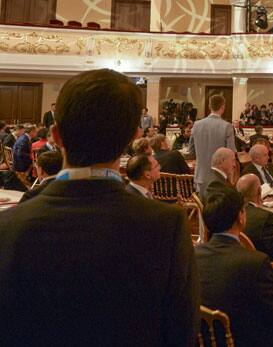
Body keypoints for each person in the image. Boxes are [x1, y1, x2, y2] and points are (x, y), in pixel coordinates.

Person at [0, 69, 199, 345]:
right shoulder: (168, 226)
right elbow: (181, 335)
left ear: (56, 136)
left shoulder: (8, 227)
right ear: (133, 136)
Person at [195, 185, 273, 347]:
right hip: (246, 339)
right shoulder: (255, 262)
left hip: (205, 337)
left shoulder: (193, 254)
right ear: (240, 217)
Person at [189, 94, 237, 191]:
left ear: (209, 107)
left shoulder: (197, 125)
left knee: (201, 205)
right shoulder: (227, 126)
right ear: (223, 107)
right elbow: (231, 153)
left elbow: (191, 150)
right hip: (220, 178)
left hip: (200, 176)